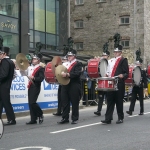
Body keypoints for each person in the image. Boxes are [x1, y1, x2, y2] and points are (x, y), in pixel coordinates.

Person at [101, 45, 129, 124]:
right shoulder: (110, 61)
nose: (116, 53)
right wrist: (106, 75)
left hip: (119, 82)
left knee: (119, 101)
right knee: (110, 101)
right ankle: (108, 118)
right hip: (111, 82)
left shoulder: (123, 60)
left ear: (120, 52)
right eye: (115, 52)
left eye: (117, 52)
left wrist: (122, 75)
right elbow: (108, 71)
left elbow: (126, 73)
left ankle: (120, 117)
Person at [57, 49, 82, 124]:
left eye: (70, 56)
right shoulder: (64, 64)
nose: (69, 57)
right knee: (64, 102)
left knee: (74, 102)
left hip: (74, 84)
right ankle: (65, 118)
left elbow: (77, 73)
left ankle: (74, 118)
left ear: (74, 56)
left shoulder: (78, 64)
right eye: (68, 56)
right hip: (65, 84)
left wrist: (68, 75)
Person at [20, 53, 45, 124]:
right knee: (30, 103)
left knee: (32, 102)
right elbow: (23, 74)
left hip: (36, 85)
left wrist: (34, 78)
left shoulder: (40, 68)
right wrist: (22, 68)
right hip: (30, 86)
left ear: (38, 60)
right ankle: (33, 119)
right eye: (33, 59)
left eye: (34, 59)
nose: (33, 60)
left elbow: (41, 78)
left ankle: (40, 114)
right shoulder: (29, 67)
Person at [0, 47, 16, 125]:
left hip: (3, 85)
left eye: (1, 53)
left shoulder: (5, 61)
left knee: (6, 103)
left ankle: (12, 119)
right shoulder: (10, 61)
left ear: (4, 54)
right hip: (6, 85)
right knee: (2, 102)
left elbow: (4, 74)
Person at [94, 50, 110, 116]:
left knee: (108, 98)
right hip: (101, 82)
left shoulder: (110, 63)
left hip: (108, 82)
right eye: (103, 55)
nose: (103, 57)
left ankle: (108, 111)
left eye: (105, 55)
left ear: (108, 56)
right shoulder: (100, 63)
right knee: (100, 98)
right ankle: (98, 111)